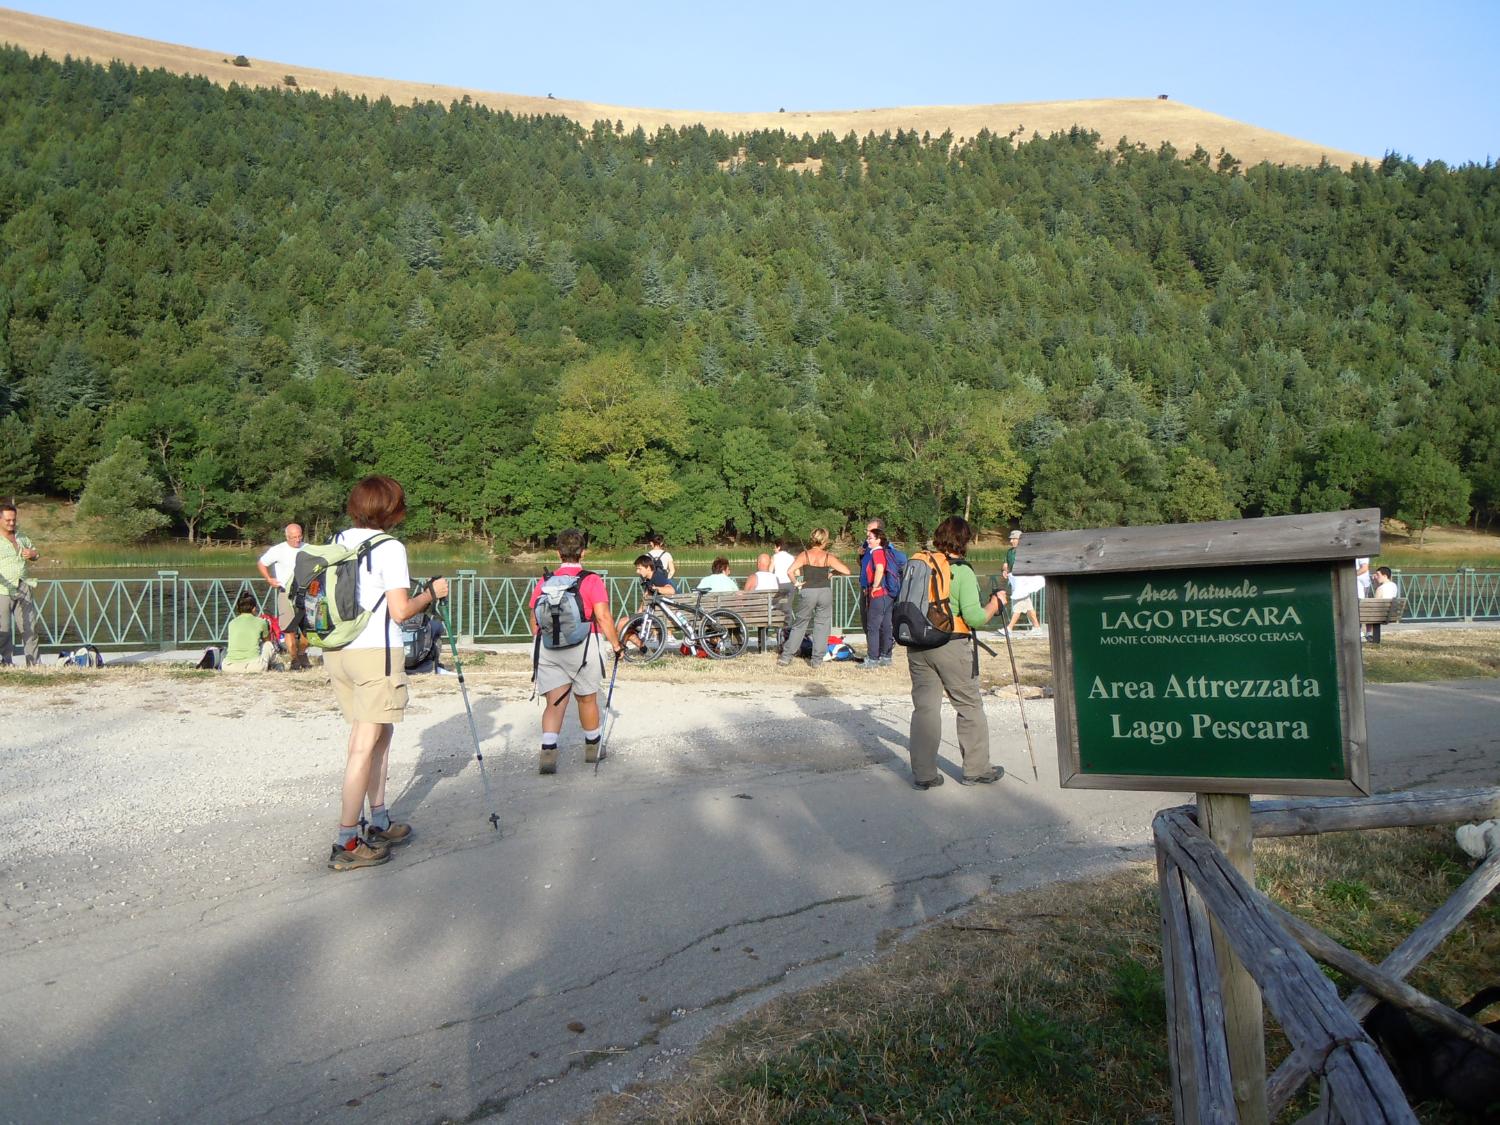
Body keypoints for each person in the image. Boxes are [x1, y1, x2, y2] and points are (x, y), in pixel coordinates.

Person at [324, 475, 448, 872]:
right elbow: (400, 611)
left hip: (338, 650)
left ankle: (378, 820)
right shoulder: (390, 548)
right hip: (374, 652)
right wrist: (432, 593)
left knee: (381, 733)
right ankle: (347, 839)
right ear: (391, 510)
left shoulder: (339, 540)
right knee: (364, 742)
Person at [908, 516, 1006, 790]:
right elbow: (974, 618)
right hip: (951, 643)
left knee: (925, 709)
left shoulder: (921, 564)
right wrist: (995, 605)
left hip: (917, 645)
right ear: (963, 541)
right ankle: (976, 769)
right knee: (968, 705)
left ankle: (924, 774)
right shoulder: (961, 571)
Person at [529, 528, 624, 774]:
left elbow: (534, 618)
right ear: (583, 552)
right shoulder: (591, 580)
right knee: (587, 698)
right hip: (584, 645)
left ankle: (548, 753)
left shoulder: (545, 581)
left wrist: (541, 641)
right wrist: (615, 644)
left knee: (554, 701)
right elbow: (602, 616)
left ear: (557, 552)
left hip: (549, 646)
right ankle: (593, 748)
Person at [777, 528, 850, 665]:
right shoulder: (828, 556)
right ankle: (817, 660)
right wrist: (832, 573)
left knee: (800, 624)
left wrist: (797, 583)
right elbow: (846, 571)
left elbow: (790, 571)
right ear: (825, 540)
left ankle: (786, 657)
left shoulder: (804, 555)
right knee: (822, 625)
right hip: (824, 592)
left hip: (808, 590)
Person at [258, 523, 309, 669]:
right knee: (288, 628)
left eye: (299, 536)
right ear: (287, 537)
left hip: (306, 593)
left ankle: (302, 653)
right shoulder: (278, 550)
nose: (297, 540)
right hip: (285, 593)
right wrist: (269, 579)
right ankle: (294, 659)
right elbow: (262, 563)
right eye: (294, 537)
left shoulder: (307, 548)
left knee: (309, 628)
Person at [0, 501, 40, 667]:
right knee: (3, 630)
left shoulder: (21, 537)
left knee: (30, 628)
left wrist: (32, 554)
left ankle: (34, 665)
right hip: (2, 589)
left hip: (24, 586)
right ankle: (6, 663)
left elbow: (36, 554)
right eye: (8, 520)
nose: (11, 523)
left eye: (14, 520)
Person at [861, 527, 896, 666]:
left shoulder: (876, 552)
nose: (867, 540)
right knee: (886, 625)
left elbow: (880, 568)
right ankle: (886, 656)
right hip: (888, 594)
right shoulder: (885, 552)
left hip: (879, 594)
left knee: (873, 626)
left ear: (878, 540)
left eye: (870, 538)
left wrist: (875, 586)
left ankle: (872, 658)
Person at [222, 591, 277, 673]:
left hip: (229, 667)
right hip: (253, 667)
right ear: (254, 608)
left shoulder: (231, 623)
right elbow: (267, 640)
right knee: (268, 645)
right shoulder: (261, 622)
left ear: (238, 607)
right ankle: (276, 665)